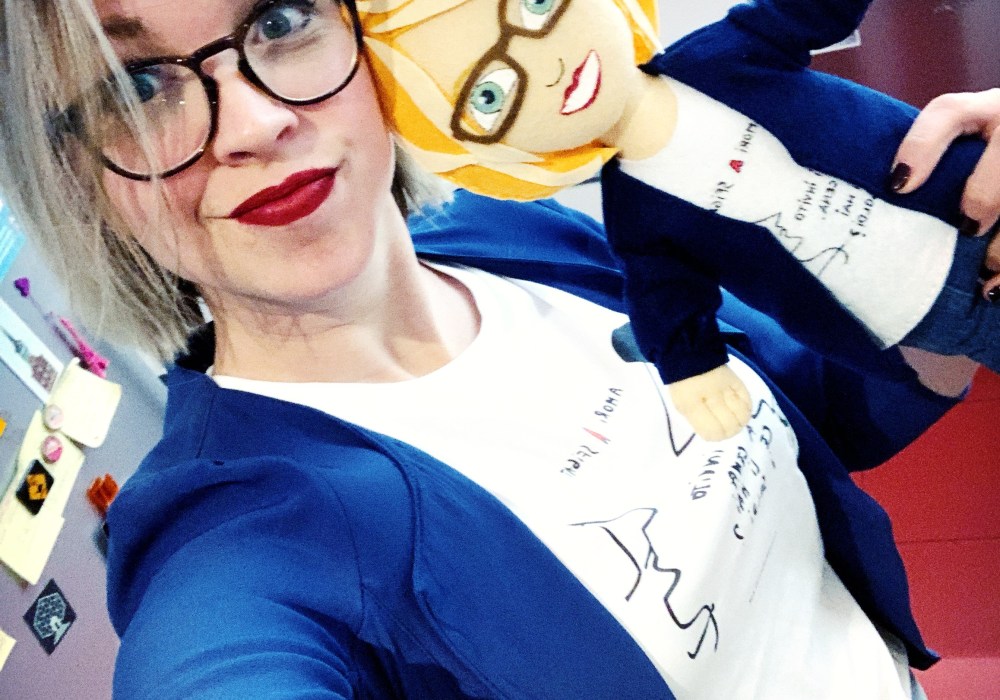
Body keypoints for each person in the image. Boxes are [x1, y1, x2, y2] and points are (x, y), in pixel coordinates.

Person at [0, 0, 997, 698]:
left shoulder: (513, 239)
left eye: (280, 19)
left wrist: (955, 253)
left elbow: (815, 398)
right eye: (136, 86)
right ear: (75, 181)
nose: (256, 123)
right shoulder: (236, 552)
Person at [357, 0, 999, 441]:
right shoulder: (635, 216)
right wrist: (693, 367)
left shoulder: (723, 56)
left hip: (969, 200)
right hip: (920, 323)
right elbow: (666, 296)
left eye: (537, 8)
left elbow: (813, 10)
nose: (546, 67)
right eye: (490, 95)